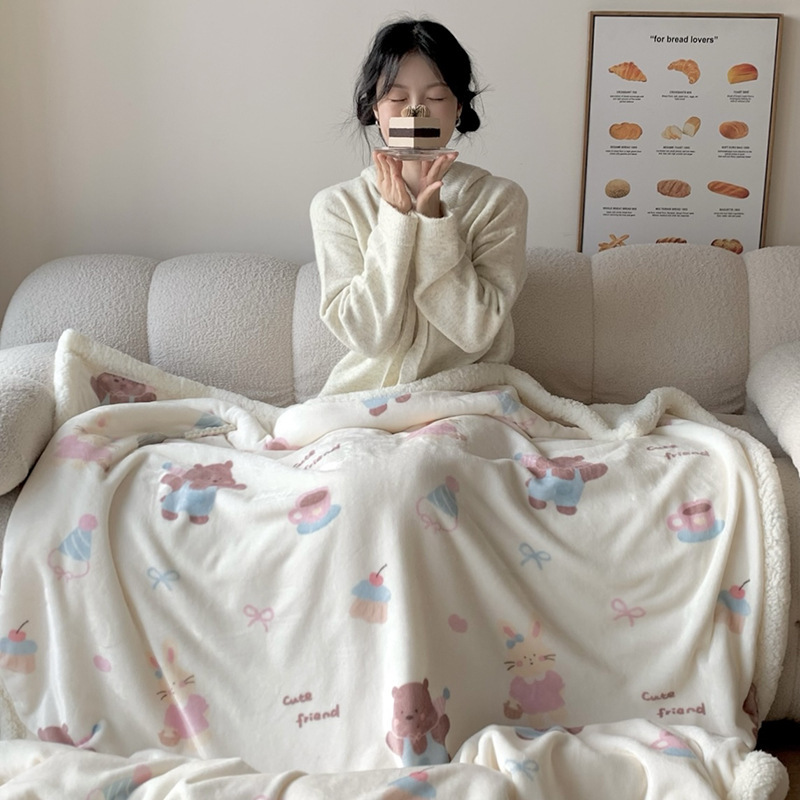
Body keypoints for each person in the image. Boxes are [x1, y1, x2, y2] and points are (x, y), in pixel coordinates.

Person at [310, 18, 528, 396]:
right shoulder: (336, 206)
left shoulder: (500, 200)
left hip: (470, 394)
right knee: (303, 427)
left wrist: (434, 222)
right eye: (397, 99)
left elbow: (475, 331)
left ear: (458, 108)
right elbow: (367, 336)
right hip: (368, 396)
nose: (415, 112)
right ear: (375, 109)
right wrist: (395, 220)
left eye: (436, 98)